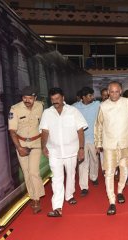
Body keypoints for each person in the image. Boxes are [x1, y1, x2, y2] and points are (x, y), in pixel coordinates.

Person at [94, 81, 128, 215]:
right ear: (108, 92)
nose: (114, 94)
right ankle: (112, 201)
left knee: (124, 170)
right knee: (109, 173)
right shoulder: (103, 106)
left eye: (116, 91)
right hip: (109, 146)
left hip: (125, 144)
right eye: (111, 91)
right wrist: (98, 143)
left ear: (120, 91)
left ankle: (120, 191)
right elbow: (98, 126)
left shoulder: (127, 103)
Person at [40, 87, 88, 217]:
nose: (55, 101)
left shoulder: (73, 111)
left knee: (71, 174)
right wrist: (43, 146)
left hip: (72, 150)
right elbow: (44, 131)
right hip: (54, 152)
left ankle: (69, 195)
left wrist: (81, 148)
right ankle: (57, 207)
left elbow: (80, 130)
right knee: (57, 179)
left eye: (57, 98)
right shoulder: (47, 113)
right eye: (52, 99)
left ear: (63, 98)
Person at [8, 86, 45, 214]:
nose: (27, 100)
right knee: (26, 172)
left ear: (35, 98)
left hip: (36, 143)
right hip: (21, 143)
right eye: (24, 97)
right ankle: (33, 195)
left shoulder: (40, 106)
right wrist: (19, 147)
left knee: (34, 171)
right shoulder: (15, 109)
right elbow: (12, 131)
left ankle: (36, 199)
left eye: (30, 98)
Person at [74, 87, 100, 197]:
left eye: (92, 95)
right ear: (83, 97)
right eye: (90, 96)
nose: (92, 97)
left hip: (94, 138)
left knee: (94, 160)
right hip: (81, 140)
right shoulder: (75, 107)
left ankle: (94, 177)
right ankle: (84, 187)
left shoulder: (97, 104)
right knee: (83, 162)